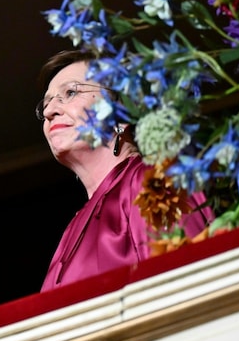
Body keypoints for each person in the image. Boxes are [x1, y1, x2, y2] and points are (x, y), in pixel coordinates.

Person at [36, 49, 213, 292]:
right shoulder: (72, 228)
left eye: (70, 93)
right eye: (46, 103)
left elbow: (191, 289)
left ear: (122, 112)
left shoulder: (154, 181)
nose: (48, 112)